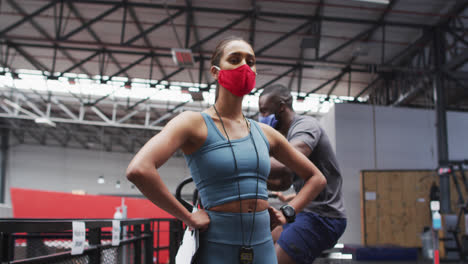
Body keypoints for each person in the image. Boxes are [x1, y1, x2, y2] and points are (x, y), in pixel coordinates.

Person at [126, 36, 326, 264]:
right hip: (216, 246)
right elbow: (139, 169)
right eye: (235, 59)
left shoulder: (265, 133)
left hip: (262, 248)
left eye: (250, 61)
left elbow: (316, 178)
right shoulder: (193, 123)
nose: (244, 66)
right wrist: (187, 216)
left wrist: (288, 212)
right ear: (215, 71)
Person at [258, 84, 347, 264]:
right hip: (304, 213)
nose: (262, 117)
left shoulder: (305, 126)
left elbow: (289, 162)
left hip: (324, 216)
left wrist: (241, 163)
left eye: (265, 111)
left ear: (281, 106)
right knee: (260, 246)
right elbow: (283, 181)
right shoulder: (287, 137)